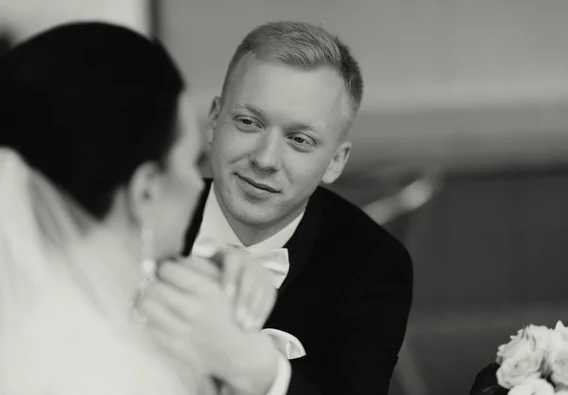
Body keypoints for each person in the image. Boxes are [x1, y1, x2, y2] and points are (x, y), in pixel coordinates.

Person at [0, 21, 278, 395]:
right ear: (145, 190)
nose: (199, 183)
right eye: (192, 161)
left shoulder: (3, 326)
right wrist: (257, 370)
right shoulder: (111, 371)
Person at [142, 21, 414, 395]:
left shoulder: (374, 265)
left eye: (299, 140)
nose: (266, 159)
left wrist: (264, 374)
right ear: (213, 120)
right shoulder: (141, 216)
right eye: (248, 122)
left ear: (335, 161)